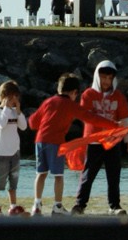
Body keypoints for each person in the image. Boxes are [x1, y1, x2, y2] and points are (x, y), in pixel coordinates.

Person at [27, 74, 120, 217]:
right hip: (56, 143)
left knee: (41, 174)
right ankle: (57, 206)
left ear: (59, 89)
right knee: (58, 175)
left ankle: (37, 205)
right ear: (74, 93)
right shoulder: (71, 105)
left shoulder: (48, 102)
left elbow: (32, 123)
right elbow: (91, 118)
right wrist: (113, 125)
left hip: (40, 141)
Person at [73, 60, 128, 215]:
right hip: (94, 142)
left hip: (113, 143)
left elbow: (126, 119)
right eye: (103, 78)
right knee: (88, 175)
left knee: (114, 175)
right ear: (97, 77)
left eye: (109, 78)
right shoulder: (88, 94)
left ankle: (114, 206)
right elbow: (85, 116)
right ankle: (80, 204)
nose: (106, 82)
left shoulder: (118, 97)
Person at [0, 80, 28, 215]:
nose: (13, 100)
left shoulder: (14, 112)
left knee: (13, 181)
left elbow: (23, 126)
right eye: (10, 97)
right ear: (3, 96)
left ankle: (13, 205)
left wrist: (18, 111)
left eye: (15, 97)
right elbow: (1, 124)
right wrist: (5, 108)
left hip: (14, 151)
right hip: (0, 151)